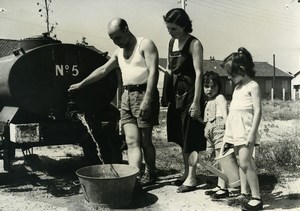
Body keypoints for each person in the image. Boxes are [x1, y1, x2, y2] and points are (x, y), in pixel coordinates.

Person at [68, 18, 160, 186]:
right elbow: (103, 70)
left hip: (144, 93)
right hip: (127, 96)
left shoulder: (145, 44)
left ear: (126, 29)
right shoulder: (118, 52)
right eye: (112, 39)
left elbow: (154, 72)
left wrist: (148, 99)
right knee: (131, 141)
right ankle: (134, 178)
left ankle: (151, 172)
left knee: (146, 141)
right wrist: (82, 84)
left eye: (117, 37)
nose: (115, 42)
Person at [162, 8, 206, 193]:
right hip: (175, 94)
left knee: (191, 136)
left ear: (183, 25)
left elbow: (199, 74)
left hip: (189, 94)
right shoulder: (172, 42)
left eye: (173, 28)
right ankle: (186, 172)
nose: (170, 32)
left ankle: (192, 177)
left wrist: (196, 102)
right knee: (181, 137)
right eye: (168, 28)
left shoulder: (194, 43)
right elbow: (170, 69)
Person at [221, 47, 263, 210]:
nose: (229, 78)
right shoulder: (237, 88)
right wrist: (228, 135)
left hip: (246, 130)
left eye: (231, 74)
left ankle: (256, 198)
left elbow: (258, 111)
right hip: (235, 130)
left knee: (246, 162)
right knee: (241, 161)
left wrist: (252, 133)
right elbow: (234, 113)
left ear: (242, 70)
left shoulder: (253, 86)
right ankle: (245, 193)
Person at [201, 71, 229, 199]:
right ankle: (219, 185)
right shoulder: (208, 101)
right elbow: (207, 120)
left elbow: (225, 116)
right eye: (206, 86)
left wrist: (229, 133)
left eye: (213, 86)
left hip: (220, 130)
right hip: (210, 131)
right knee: (217, 160)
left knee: (221, 159)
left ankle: (224, 188)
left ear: (219, 87)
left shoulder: (220, 98)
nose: (209, 89)